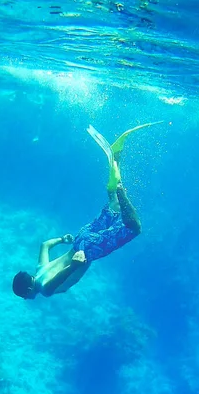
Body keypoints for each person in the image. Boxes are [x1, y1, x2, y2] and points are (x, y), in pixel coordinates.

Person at [12, 121, 162, 299]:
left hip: (88, 250)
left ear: (28, 291)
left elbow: (60, 277)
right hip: (79, 239)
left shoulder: (44, 288)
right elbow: (44, 245)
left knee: (134, 227)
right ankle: (115, 160)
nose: (26, 299)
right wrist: (62, 239)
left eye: (24, 297)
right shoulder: (40, 268)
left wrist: (75, 265)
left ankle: (119, 186)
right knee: (114, 205)